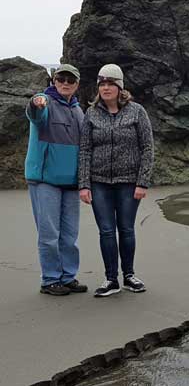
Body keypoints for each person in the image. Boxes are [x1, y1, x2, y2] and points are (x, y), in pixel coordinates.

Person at [79, 64, 154, 297]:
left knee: (126, 229)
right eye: (102, 84)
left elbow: (148, 148)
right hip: (99, 182)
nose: (106, 88)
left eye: (111, 83)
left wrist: (142, 182)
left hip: (129, 182)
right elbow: (84, 150)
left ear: (120, 87)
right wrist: (83, 184)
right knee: (107, 232)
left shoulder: (137, 111)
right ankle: (111, 280)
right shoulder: (91, 114)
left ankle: (129, 275)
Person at [25, 64, 88, 295]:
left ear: (77, 84)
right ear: (53, 81)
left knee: (70, 235)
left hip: (71, 182)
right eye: (60, 78)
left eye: (70, 80)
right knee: (49, 234)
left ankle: (67, 276)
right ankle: (50, 280)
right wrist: (36, 102)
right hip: (45, 180)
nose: (65, 83)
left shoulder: (79, 111)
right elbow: (35, 111)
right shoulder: (46, 101)